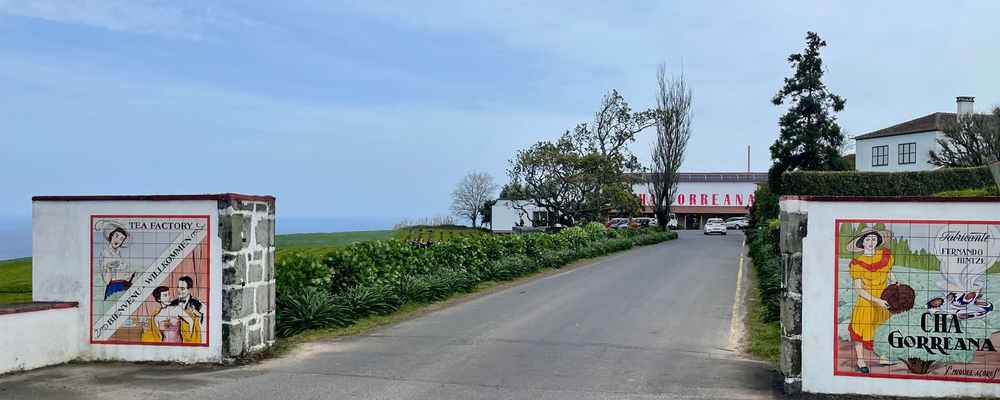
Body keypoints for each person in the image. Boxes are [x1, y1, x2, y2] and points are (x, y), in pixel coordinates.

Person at [846, 228, 896, 373]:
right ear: (862, 243)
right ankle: (861, 361)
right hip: (866, 301)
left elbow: (889, 273)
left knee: (881, 329)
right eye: (867, 239)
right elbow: (859, 290)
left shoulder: (884, 256)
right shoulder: (857, 263)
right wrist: (877, 301)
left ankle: (883, 357)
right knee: (860, 330)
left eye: (874, 239)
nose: (871, 242)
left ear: (877, 241)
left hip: (884, 299)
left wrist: (896, 283)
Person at [99, 223, 136, 300]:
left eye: (121, 239)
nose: (118, 240)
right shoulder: (105, 253)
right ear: (111, 235)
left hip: (123, 286)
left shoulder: (118, 254)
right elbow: (107, 280)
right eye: (117, 236)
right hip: (114, 287)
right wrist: (109, 267)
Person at [169, 276, 204, 343]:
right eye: (178, 288)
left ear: (190, 290)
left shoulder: (197, 304)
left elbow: (201, 325)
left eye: (182, 288)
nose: (179, 291)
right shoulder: (172, 304)